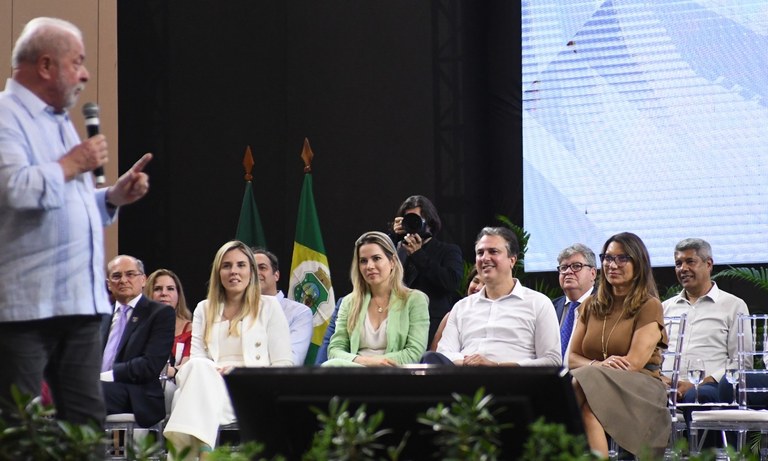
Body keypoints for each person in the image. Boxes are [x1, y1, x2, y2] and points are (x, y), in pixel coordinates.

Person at [0, 17, 152, 425]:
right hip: (25, 309)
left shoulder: (59, 121)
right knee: (18, 427)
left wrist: (111, 197)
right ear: (46, 65)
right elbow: (15, 189)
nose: (85, 74)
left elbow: (66, 206)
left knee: (85, 427)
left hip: (80, 305)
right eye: (78, 62)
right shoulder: (4, 117)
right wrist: (72, 163)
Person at [163, 240, 292, 458]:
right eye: (227, 266)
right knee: (199, 368)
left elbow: (283, 365)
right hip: (208, 383)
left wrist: (239, 372)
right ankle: (205, 453)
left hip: (246, 388)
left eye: (241, 265)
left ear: (251, 271)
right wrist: (215, 371)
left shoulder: (269, 306)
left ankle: (194, 454)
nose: (234, 271)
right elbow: (196, 359)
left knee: (194, 389)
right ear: (218, 272)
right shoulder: (204, 308)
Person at [568, 232, 669, 458]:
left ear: (638, 263)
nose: (612, 264)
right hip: (595, 383)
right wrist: (598, 365)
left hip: (641, 385)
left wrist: (594, 369)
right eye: (608, 258)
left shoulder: (649, 305)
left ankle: (550, 434)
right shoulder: (591, 305)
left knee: (583, 379)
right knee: (587, 408)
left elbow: (633, 363)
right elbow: (572, 357)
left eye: (622, 258)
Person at [425, 227, 561, 367]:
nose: (485, 258)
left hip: (515, 382)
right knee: (429, 358)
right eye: (480, 253)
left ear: (512, 260)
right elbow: (444, 352)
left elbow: (552, 360)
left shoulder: (538, 303)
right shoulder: (461, 307)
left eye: (493, 251)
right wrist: (469, 364)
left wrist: (497, 366)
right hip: (465, 379)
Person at [662, 238, 750, 406]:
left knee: (698, 396)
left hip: (710, 386)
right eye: (678, 263)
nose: (683, 269)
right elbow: (653, 357)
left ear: (708, 264)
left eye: (690, 262)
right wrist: (662, 379)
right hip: (664, 385)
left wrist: (699, 382)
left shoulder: (733, 305)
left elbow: (741, 362)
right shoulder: (664, 308)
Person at [324, 231, 429, 366]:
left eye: (376, 258)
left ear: (392, 262)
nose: (369, 266)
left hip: (394, 372)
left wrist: (381, 363)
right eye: (363, 261)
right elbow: (334, 350)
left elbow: (415, 352)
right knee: (331, 365)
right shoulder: (349, 302)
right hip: (355, 371)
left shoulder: (415, 300)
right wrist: (368, 362)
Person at [101, 256, 175, 428]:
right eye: (117, 276)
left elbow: (150, 364)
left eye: (130, 274)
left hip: (136, 393)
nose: (124, 280)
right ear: (108, 283)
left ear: (143, 280)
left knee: (86, 394)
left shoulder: (160, 314)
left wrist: (106, 376)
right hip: (99, 387)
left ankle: (98, 451)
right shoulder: (101, 316)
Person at [391, 195, 463, 345]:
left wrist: (418, 255)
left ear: (430, 222)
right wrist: (393, 238)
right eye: (407, 220)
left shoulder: (447, 250)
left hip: (433, 327)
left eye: (416, 220)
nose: (412, 224)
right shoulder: (398, 250)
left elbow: (452, 282)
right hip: (398, 325)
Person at [253, 248, 313, 365]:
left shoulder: (299, 312)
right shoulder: (236, 309)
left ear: (276, 275)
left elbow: (293, 359)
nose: (255, 272)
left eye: (262, 267)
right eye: (250, 269)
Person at [145, 269, 193, 379]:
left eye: (170, 289)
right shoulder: (138, 327)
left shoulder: (191, 330)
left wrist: (167, 371)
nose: (164, 293)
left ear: (178, 295)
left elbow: (188, 366)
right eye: (157, 289)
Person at [553, 244, 597, 360]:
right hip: (550, 374)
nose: (568, 271)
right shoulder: (550, 307)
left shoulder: (606, 305)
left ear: (593, 273)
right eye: (563, 267)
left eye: (576, 266)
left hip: (586, 374)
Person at [429, 267, 484, 351]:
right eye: (475, 281)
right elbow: (433, 353)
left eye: (485, 285)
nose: (478, 288)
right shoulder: (452, 315)